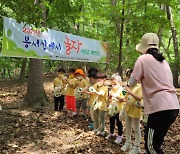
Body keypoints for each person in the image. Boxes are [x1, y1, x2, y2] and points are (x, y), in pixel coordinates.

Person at [128, 33, 179, 154]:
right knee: (156, 144)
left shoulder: (142, 59)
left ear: (143, 48)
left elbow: (131, 83)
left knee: (151, 147)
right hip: (173, 107)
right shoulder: (164, 61)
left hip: (159, 109)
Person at [121, 69, 143, 154]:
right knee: (128, 126)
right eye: (128, 77)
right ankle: (128, 143)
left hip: (136, 110)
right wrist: (124, 90)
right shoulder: (128, 85)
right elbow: (124, 96)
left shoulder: (139, 86)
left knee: (136, 128)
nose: (129, 79)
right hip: (128, 109)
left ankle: (137, 146)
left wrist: (130, 92)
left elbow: (139, 97)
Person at [105, 73, 124, 144]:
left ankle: (119, 135)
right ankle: (111, 133)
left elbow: (123, 99)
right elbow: (108, 99)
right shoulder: (111, 90)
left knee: (119, 123)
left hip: (119, 109)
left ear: (120, 82)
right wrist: (109, 97)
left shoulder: (123, 90)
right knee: (111, 121)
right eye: (112, 84)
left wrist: (115, 95)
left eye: (115, 83)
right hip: (112, 109)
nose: (113, 85)